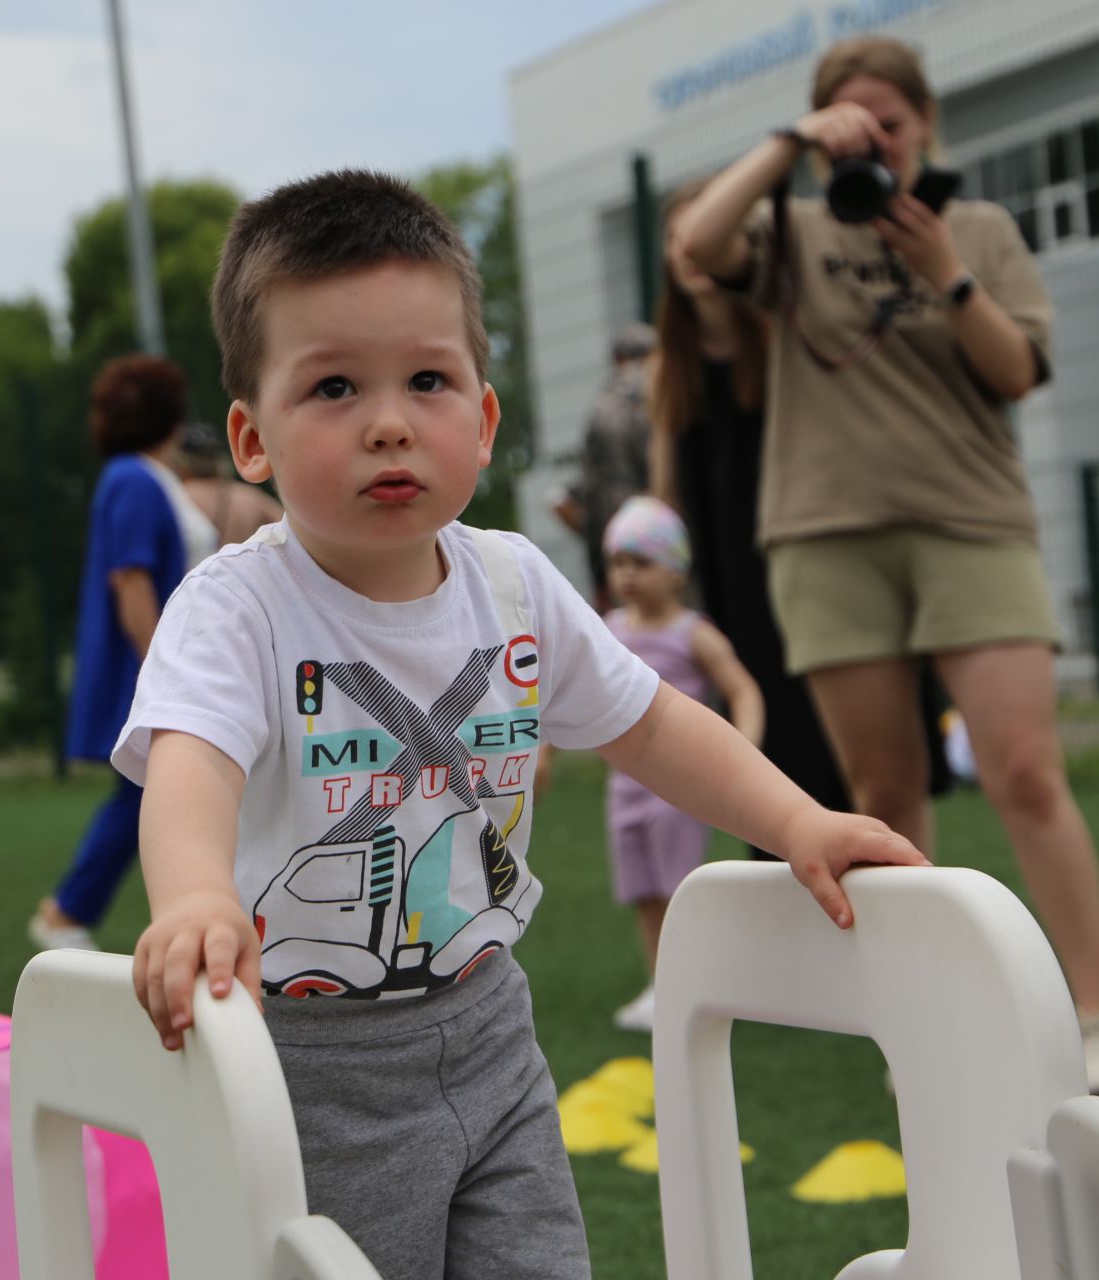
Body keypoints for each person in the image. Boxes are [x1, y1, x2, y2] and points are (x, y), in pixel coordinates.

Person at [112, 169, 929, 1280]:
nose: (390, 422)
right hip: (302, 1059)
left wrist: (797, 819)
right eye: (336, 387)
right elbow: (190, 765)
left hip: (489, 1024)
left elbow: (652, 724)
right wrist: (196, 895)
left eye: (429, 380)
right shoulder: (238, 604)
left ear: (485, 419)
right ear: (252, 439)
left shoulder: (514, 583)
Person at [678, 35, 1099, 1099]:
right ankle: (928, 1021)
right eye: (849, 121)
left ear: (927, 123)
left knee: (1026, 770)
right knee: (884, 790)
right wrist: (792, 145)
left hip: (971, 521)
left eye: (888, 119)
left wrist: (947, 269)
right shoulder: (793, 231)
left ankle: (1097, 1014)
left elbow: (1016, 370)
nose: (873, 139)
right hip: (825, 533)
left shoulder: (980, 227)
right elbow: (701, 243)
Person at [648, 181, 959, 820]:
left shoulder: (779, 339)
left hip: (811, 554)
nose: (691, 251)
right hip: (735, 584)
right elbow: (665, 498)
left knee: (859, 765)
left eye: (700, 235)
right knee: (771, 760)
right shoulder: (670, 365)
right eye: (676, 239)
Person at [26, 356, 217, 952]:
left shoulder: (147, 476)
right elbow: (131, 582)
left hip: (168, 659)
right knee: (148, 789)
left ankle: (69, 911)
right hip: (157, 662)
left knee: (154, 790)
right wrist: (164, 668)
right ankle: (66, 912)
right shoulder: (133, 479)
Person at [598, 496, 763, 1033]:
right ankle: (663, 985)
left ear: (675, 571)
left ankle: (705, 988)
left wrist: (743, 753)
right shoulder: (609, 629)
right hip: (624, 787)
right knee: (644, 891)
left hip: (679, 791)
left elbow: (743, 690)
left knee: (681, 889)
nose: (626, 575)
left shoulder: (694, 634)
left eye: (640, 563)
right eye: (618, 563)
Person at [554, 323, 656, 609]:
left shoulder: (600, 403)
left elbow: (577, 492)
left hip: (612, 541)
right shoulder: (654, 390)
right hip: (656, 532)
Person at [173, 420, 284, 545]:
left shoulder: (177, 496)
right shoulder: (249, 497)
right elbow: (288, 530)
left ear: (180, 462)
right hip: (245, 563)